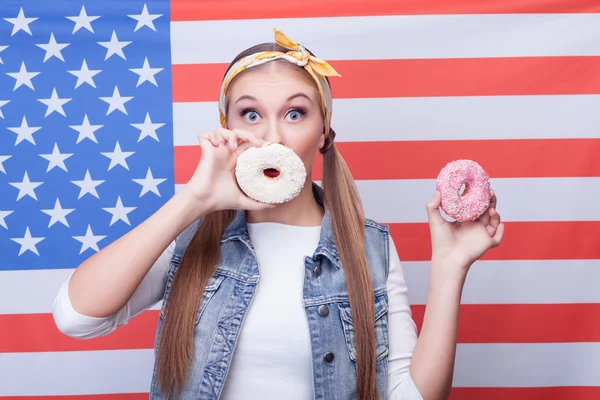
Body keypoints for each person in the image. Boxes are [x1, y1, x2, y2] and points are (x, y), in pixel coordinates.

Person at [52, 28, 504, 400]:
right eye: (250, 114)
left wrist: (449, 267)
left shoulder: (370, 249)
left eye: (294, 113)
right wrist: (194, 200)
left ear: (323, 132)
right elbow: (76, 318)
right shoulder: (191, 236)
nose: (273, 137)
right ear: (226, 128)